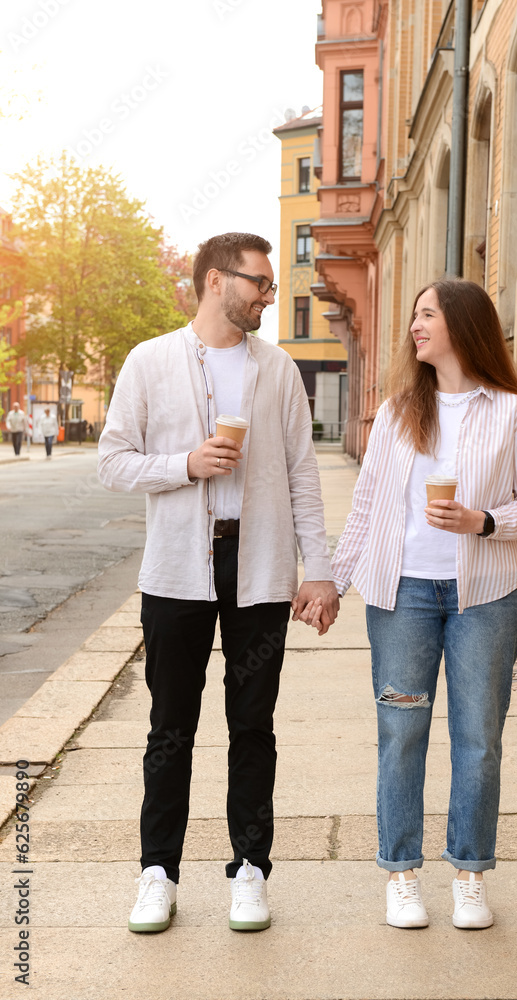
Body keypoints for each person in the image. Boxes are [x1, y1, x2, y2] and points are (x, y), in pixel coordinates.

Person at [98, 232, 339, 935]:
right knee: (169, 727)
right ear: (213, 281)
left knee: (252, 726)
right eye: (258, 282)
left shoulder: (277, 370)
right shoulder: (150, 361)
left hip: (258, 570)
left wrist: (317, 571)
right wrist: (184, 464)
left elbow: (301, 475)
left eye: (268, 285)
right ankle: (157, 873)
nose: (268, 294)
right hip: (176, 572)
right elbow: (114, 462)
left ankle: (249, 872)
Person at [327, 278, 517, 931]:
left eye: (427, 314)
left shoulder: (510, 412)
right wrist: (334, 583)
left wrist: (480, 521)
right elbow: (368, 507)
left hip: (484, 597)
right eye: (414, 314)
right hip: (402, 598)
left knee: (479, 741)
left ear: (462, 324)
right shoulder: (399, 412)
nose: (415, 325)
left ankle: (468, 874)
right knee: (401, 735)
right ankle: (400, 875)